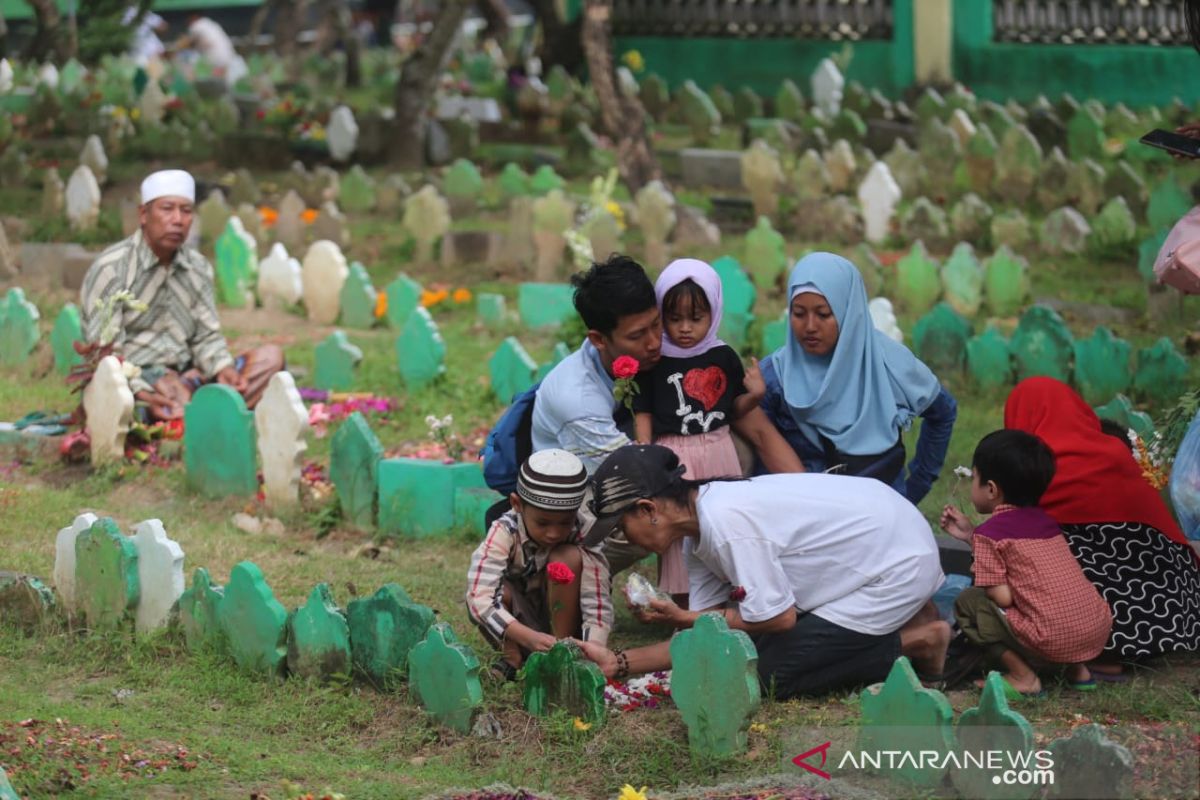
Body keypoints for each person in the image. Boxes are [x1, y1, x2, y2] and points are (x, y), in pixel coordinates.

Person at [575, 444, 950, 699]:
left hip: (897, 565)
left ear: (647, 508)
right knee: (742, 651)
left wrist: (684, 615)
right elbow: (710, 635)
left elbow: (778, 618)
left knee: (767, 676)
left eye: (621, 526)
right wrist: (619, 662)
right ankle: (907, 617)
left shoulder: (726, 525)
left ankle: (920, 638)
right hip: (886, 539)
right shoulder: (698, 533)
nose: (624, 537)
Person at [531, 255, 802, 574]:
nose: (653, 344)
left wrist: (810, 500)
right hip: (582, 497)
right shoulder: (577, 400)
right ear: (599, 340)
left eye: (656, 325)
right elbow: (634, 480)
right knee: (644, 518)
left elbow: (758, 432)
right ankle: (569, 572)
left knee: (729, 442)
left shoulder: (674, 354)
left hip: (642, 463)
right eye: (636, 336)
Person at [1005, 377, 1200, 669]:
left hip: (1112, 626)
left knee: (1032, 550)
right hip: (1177, 612)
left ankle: (1101, 656)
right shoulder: (1112, 451)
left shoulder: (1042, 467)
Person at [633, 258, 799, 598]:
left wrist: (755, 396)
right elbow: (644, 410)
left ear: (714, 313)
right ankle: (680, 599)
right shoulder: (654, 361)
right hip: (672, 455)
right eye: (674, 319)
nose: (684, 329)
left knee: (723, 522)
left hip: (717, 450)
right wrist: (644, 453)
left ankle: (730, 592)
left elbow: (730, 409)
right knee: (677, 526)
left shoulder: (723, 357)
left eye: (696, 318)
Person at [80, 170, 283, 421]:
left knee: (271, 359)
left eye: (186, 211)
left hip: (189, 379)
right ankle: (198, 412)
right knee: (120, 399)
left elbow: (206, 336)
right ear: (144, 215)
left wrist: (223, 368)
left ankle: (194, 409)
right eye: (167, 209)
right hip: (136, 382)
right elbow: (105, 354)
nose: (177, 219)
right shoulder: (111, 269)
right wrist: (142, 390)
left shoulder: (197, 268)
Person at [758, 252, 957, 503]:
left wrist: (916, 485)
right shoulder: (776, 376)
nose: (809, 326)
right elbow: (760, 449)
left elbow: (943, 412)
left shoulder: (889, 365)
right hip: (804, 519)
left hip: (878, 519)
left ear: (848, 312)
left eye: (823, 314)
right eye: (799, 313)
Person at [941, 429, 1112, 698]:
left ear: (992, 489)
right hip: (1094, 630)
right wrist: (969, 534)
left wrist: (989, 570)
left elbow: (1002, 597)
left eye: (974, 478)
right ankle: (1079, 672)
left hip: (1052, 636)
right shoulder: (1046, 523)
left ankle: (1023, 677)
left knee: (970, 602)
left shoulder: (991, 535)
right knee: (1057, 598)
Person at [465, 449, 611, 679]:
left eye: (564, 522)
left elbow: (597, 600)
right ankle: (513, 658)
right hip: (519, 624)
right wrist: (526, 637)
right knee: (493, 593)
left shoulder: (584, 531)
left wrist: (594, 648)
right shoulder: (504, 531)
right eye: (543, 523)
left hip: (564, 621)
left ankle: (561, 653)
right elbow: (478, 599)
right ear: (517, 504)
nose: (553, 534)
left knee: (567, 558)